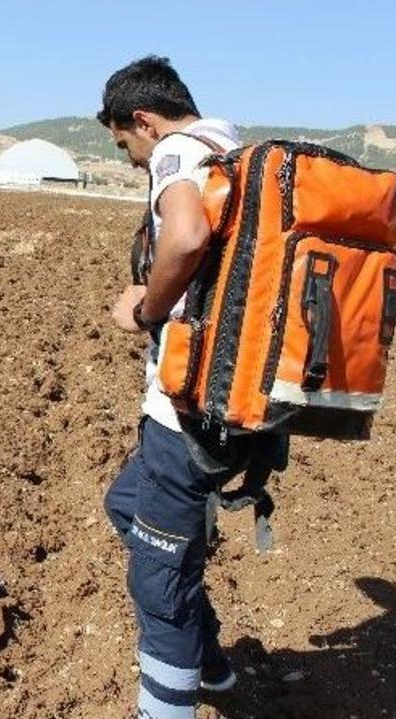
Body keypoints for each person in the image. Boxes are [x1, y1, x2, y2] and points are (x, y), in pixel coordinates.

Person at [97, 56, 287, 719]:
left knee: (157, 583)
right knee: (126, 504)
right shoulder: (231, 147)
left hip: (187, 414)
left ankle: (168, 701)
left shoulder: (176, 153)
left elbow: (186, 235)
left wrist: (146, 309)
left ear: (142, 121)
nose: (129, 160)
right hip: (241, 404)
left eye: (125, 143)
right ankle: (209, 660)